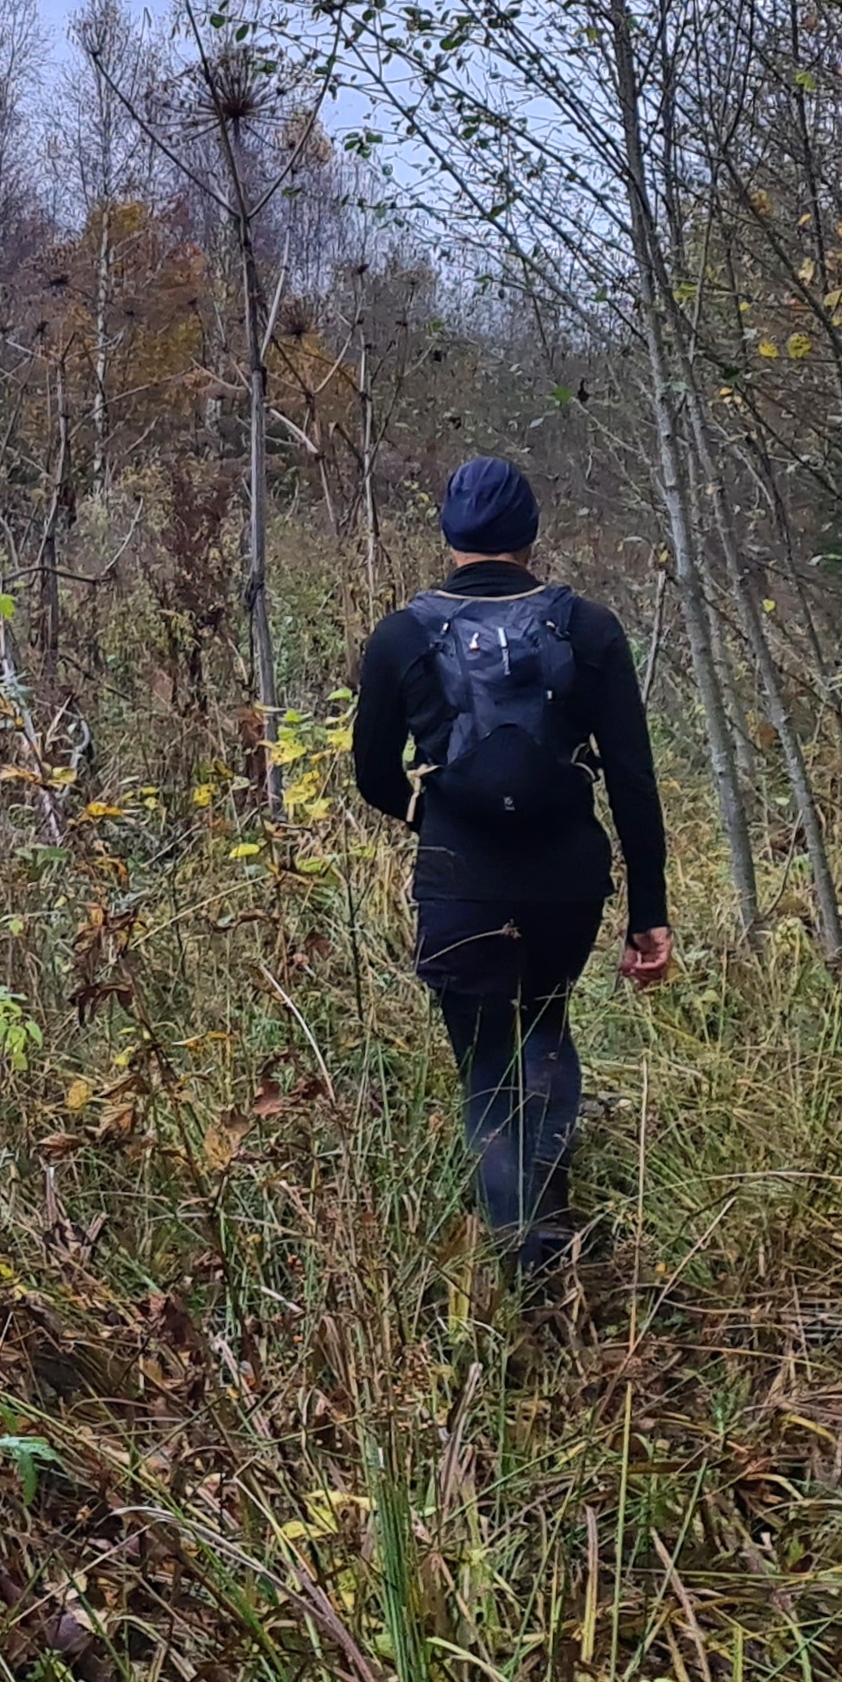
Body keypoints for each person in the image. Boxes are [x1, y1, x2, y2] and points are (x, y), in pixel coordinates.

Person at [348, 456, 671, 1274]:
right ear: (530, 532)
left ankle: (523, 1259)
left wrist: (426, 813)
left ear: (448, 534)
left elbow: (372, 775)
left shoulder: (401, 635)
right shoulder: (588, 627)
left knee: (487, 1061)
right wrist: (648, 913)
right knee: (545, 1027)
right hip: (567, 880)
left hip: (460, 880)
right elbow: (631, 779)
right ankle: (549, 1231)